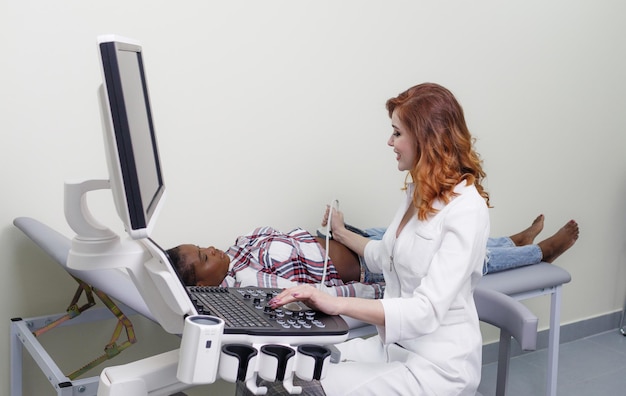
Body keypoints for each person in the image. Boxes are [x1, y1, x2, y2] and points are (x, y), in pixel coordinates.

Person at [269, 82, 491, 395]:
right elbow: (385, 255)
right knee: (289, 365)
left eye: (397, 133)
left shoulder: (467, 209)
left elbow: (425, 310)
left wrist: (335, 303)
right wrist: (342, 232)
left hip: (436, 367)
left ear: (426, 138)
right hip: (393, 348)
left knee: (306, 387)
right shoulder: (419, 192)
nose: (390, 141)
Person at [167, 226, 385, 299]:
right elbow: (319, 295)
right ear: (201, 286)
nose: (210, 249)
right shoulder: (248, 285)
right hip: (374, 266)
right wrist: (380, 292)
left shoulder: (231, 254)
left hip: (359, 236)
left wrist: (341, 231)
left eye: (201, 247)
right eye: (204, 257)